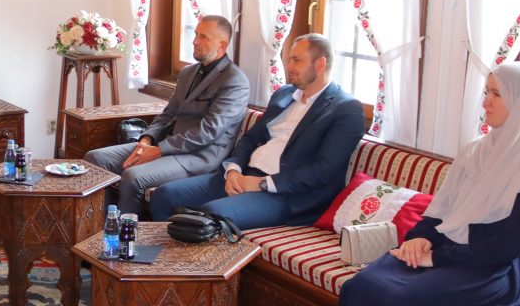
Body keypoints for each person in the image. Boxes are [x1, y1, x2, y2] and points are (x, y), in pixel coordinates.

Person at [335, 62, 520, 306]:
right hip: (450, 248)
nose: (486, 102)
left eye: (497, 94)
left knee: (396, 297)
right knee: (362, 284)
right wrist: (420, 238)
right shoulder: (476, 150)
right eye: (487, 92)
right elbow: (443, 208)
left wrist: (435, 257)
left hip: (498, 271)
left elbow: (507, 246)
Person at [149, 33, 365, 227]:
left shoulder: (346, 109)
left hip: (287, 194)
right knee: (164, 195)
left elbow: (323, 170)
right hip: (245, 176)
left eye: (297, 60)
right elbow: (251, 138)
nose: (289, 66)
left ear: (320, 64)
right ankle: (164, 259)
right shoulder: (284, 94)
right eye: (289, 59)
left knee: (214, 214)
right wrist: (233, 169)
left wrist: (263, 184)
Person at [84, 15, 250, 216]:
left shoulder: (235, 81)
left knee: (133, 177)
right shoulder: (188, 73)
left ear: (221, 45)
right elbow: (168, 114)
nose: (194, 41)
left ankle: (124, 233)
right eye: (196, 34)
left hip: (199, 157)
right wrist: (147, 140)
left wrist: (159, 150)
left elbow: (207, 133)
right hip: (168, 145)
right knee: (95, 158)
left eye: (203, 37)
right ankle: (100, 224)